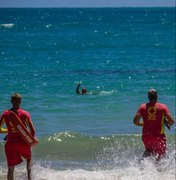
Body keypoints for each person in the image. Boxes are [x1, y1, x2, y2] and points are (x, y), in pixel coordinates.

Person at [0, 93, 36, 180]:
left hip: (10, 144)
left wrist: (9, 130)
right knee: (29, 160)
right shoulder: (25, 114)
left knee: (11, 169)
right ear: (20, 101)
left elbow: (0, 130)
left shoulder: (5, 114)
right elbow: (33, 131)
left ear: (11, 101)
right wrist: (30, 141)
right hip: (22, 142)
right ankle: (29, 178)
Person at [133, 89, 174, 160]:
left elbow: (135, 122)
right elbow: (172, 121)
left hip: (146, 136)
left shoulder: (142, 107)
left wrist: (142, 124)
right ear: (157, 96)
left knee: (148, 151)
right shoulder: (163, 107)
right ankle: (158, 170)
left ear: (148, 97)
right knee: (161, 155)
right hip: (159, 136)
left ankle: (140, 167)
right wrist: (166, 123)